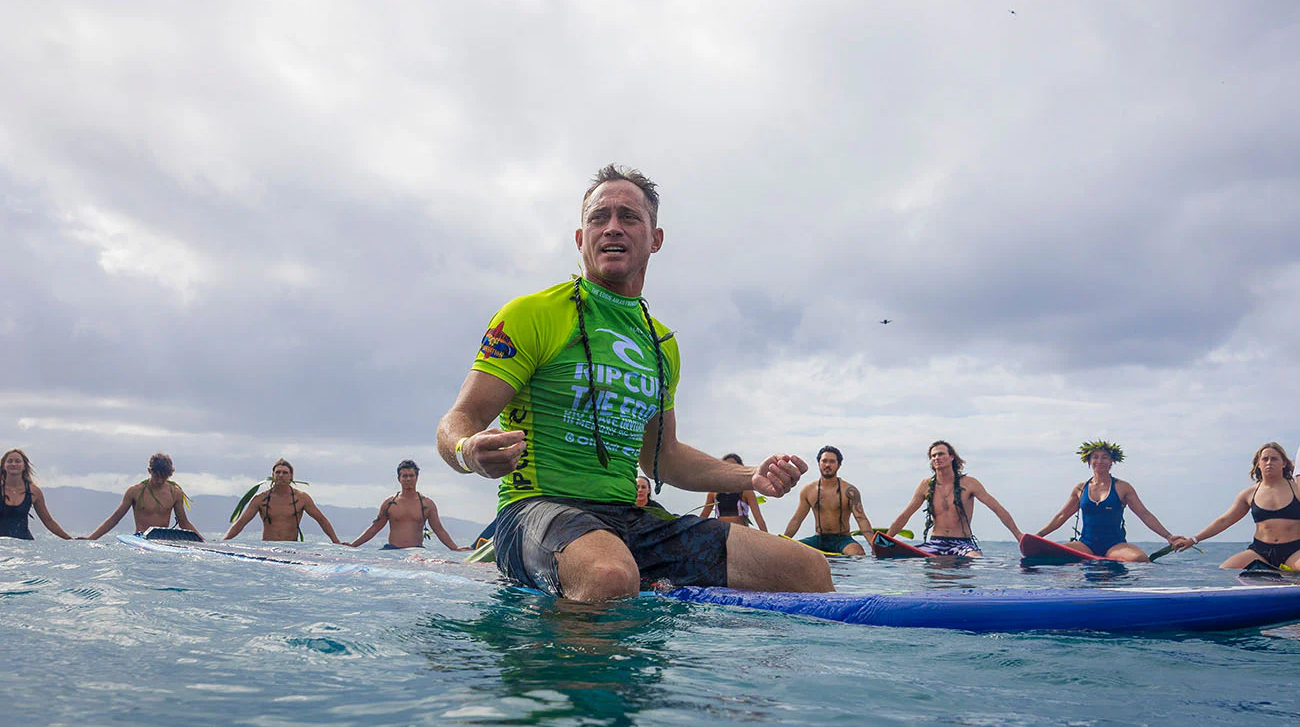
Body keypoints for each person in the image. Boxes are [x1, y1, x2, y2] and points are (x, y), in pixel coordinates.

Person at [435, 163, 830, 602]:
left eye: (629, 217)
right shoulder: (532, 315)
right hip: (535, 511)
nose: (612, 228)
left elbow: (664, 458)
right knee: (608, 575)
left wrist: (750, 475)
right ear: (581, 238)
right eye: (598, 218)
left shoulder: (660, 344)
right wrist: (467, 450)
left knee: (806, 568)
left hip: (629, 519)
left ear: (655, 239)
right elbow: (460, 418)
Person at [1036, 441, 1190, 562]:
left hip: (1115, 545)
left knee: (1140, 559)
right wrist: (1039, 536)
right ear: (1089, 461)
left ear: (1112, 461)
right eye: (1095, 457)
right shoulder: (1080, 489)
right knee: (1052, 554)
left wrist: (1168, 536)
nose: (1100, 461)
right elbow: (1062, 516)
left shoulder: (1123, 487)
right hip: (1085, 544)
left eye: (1105, 457)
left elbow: (1144, 514)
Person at [886, 440, 1024, 556]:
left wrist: (1018, 536)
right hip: (935, 542)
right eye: (933, 456)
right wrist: (886, 539)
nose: (936, 458)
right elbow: (906, 514)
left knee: (975, 558)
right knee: (908, 559)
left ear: (951, 457)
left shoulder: (969, 483)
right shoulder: (926, 485)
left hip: (962, 543)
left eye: (941, 454)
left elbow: (997, 509)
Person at [1178, 442, 1300, 569]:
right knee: (1225, 569)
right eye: (1265, 459)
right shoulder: (1248, 494)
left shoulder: (1297, 489)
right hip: (1260, 551)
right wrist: (1193, 540)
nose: (1269, 462)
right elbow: (1224, 521)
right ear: (1258, 464)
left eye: (1274, 459)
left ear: (1284, 463)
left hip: (1294, 551)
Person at [347, 460, 470, 550]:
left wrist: (455, 548)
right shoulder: (390, 504)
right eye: (404, 476)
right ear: (399, 479)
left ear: (417, 478)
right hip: (392, 550)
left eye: (411, 475)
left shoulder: (427, 504)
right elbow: (375, 527)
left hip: (416, 551)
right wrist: (353, 545)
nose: (408, 479)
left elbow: (439, 529)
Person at [83, 453, 203, 540]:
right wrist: (91, 538)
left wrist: (203, 541)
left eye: (164, 477)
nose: (160, 480)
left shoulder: (175, 493)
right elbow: (114, 519)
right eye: (157, 476)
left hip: (163, 540)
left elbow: (183, 523)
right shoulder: (135, 492)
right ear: (149, 471)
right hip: (141, 538)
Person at [223, 459, 341, 543]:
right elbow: (241, 522)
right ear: (273, 475)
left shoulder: (302, 498)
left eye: (285, 473)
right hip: (268, 547)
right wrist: (224, 541)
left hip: (291, 548)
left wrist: (336, 542)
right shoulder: (260, 499)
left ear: (291, 476)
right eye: (278, 472)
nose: (281, 475)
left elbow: (321, 520)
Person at [782, 446, 871, 554]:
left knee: (857, 553)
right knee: (791, 551)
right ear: (819, 463)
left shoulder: (850, 491)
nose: (827, 465)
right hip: (818, 539)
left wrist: (873, 545)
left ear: (839, 465)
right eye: (824, 461)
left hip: (842, 540)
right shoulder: (808, 491)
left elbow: (861, 519)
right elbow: (797, 520)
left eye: (832, 461)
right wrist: (783, 542)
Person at [1, 448, 74, 540]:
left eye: (17, 461)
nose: (13, 464)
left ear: (24, 466)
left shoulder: (34, 491)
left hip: (24, 544)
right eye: (10, 461)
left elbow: (48, 521)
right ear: (4, 466)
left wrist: (69, 539)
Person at [700, 454, 768, 531]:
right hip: (721, 534)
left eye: (733, 467)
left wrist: (767, 537)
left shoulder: (746, 492)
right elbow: (703, 516)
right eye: (727, 466)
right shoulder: (714, 493)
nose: (729, 470)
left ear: (740, 468)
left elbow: (758, 518)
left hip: (741, 533)